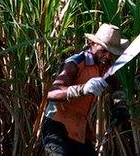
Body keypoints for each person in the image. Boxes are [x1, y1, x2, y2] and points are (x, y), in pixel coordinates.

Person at [41, 23, 131, 156]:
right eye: (104, 50)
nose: (108, 56)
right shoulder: (75, 64)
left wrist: (120, 104)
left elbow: (114, 84)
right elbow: (51, 93)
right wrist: (82, 89)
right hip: (57, 126)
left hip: (80, 129)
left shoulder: (105, 67)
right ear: (92, 44)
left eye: (112, 53)